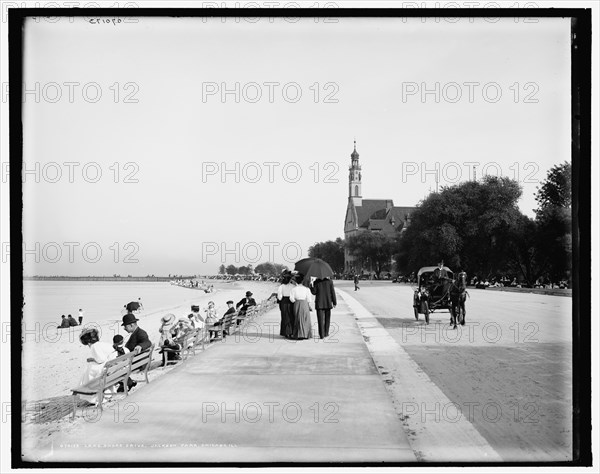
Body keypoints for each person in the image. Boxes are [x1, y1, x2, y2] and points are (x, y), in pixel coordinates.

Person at [78, 328, 118, 405]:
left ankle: (90, 393)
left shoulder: (94, 346)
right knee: (91, 368)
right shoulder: (102, 344)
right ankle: (107, 391)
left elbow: (101, 360)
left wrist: (93, 360)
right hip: (115, 367)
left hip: (109, 368)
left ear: (88, 342)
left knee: (89, 370)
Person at [289, 273, 313, 340]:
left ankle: (299, 334)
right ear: (302, 281)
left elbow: (291, 299)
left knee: (298, 318)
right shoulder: (306, 289)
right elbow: (309, 299)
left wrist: (296, 302)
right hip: (304, 304)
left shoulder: (293, 289)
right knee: (305, 319)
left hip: (297, 303)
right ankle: (306, 334)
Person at [277, 272, 296, 338]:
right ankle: (291, 332)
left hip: (284, 302)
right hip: (291, 302)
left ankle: (285, 332)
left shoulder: (281, 286)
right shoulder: (293, 286)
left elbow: (279, 297)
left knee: (285, 317)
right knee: (291, 317)